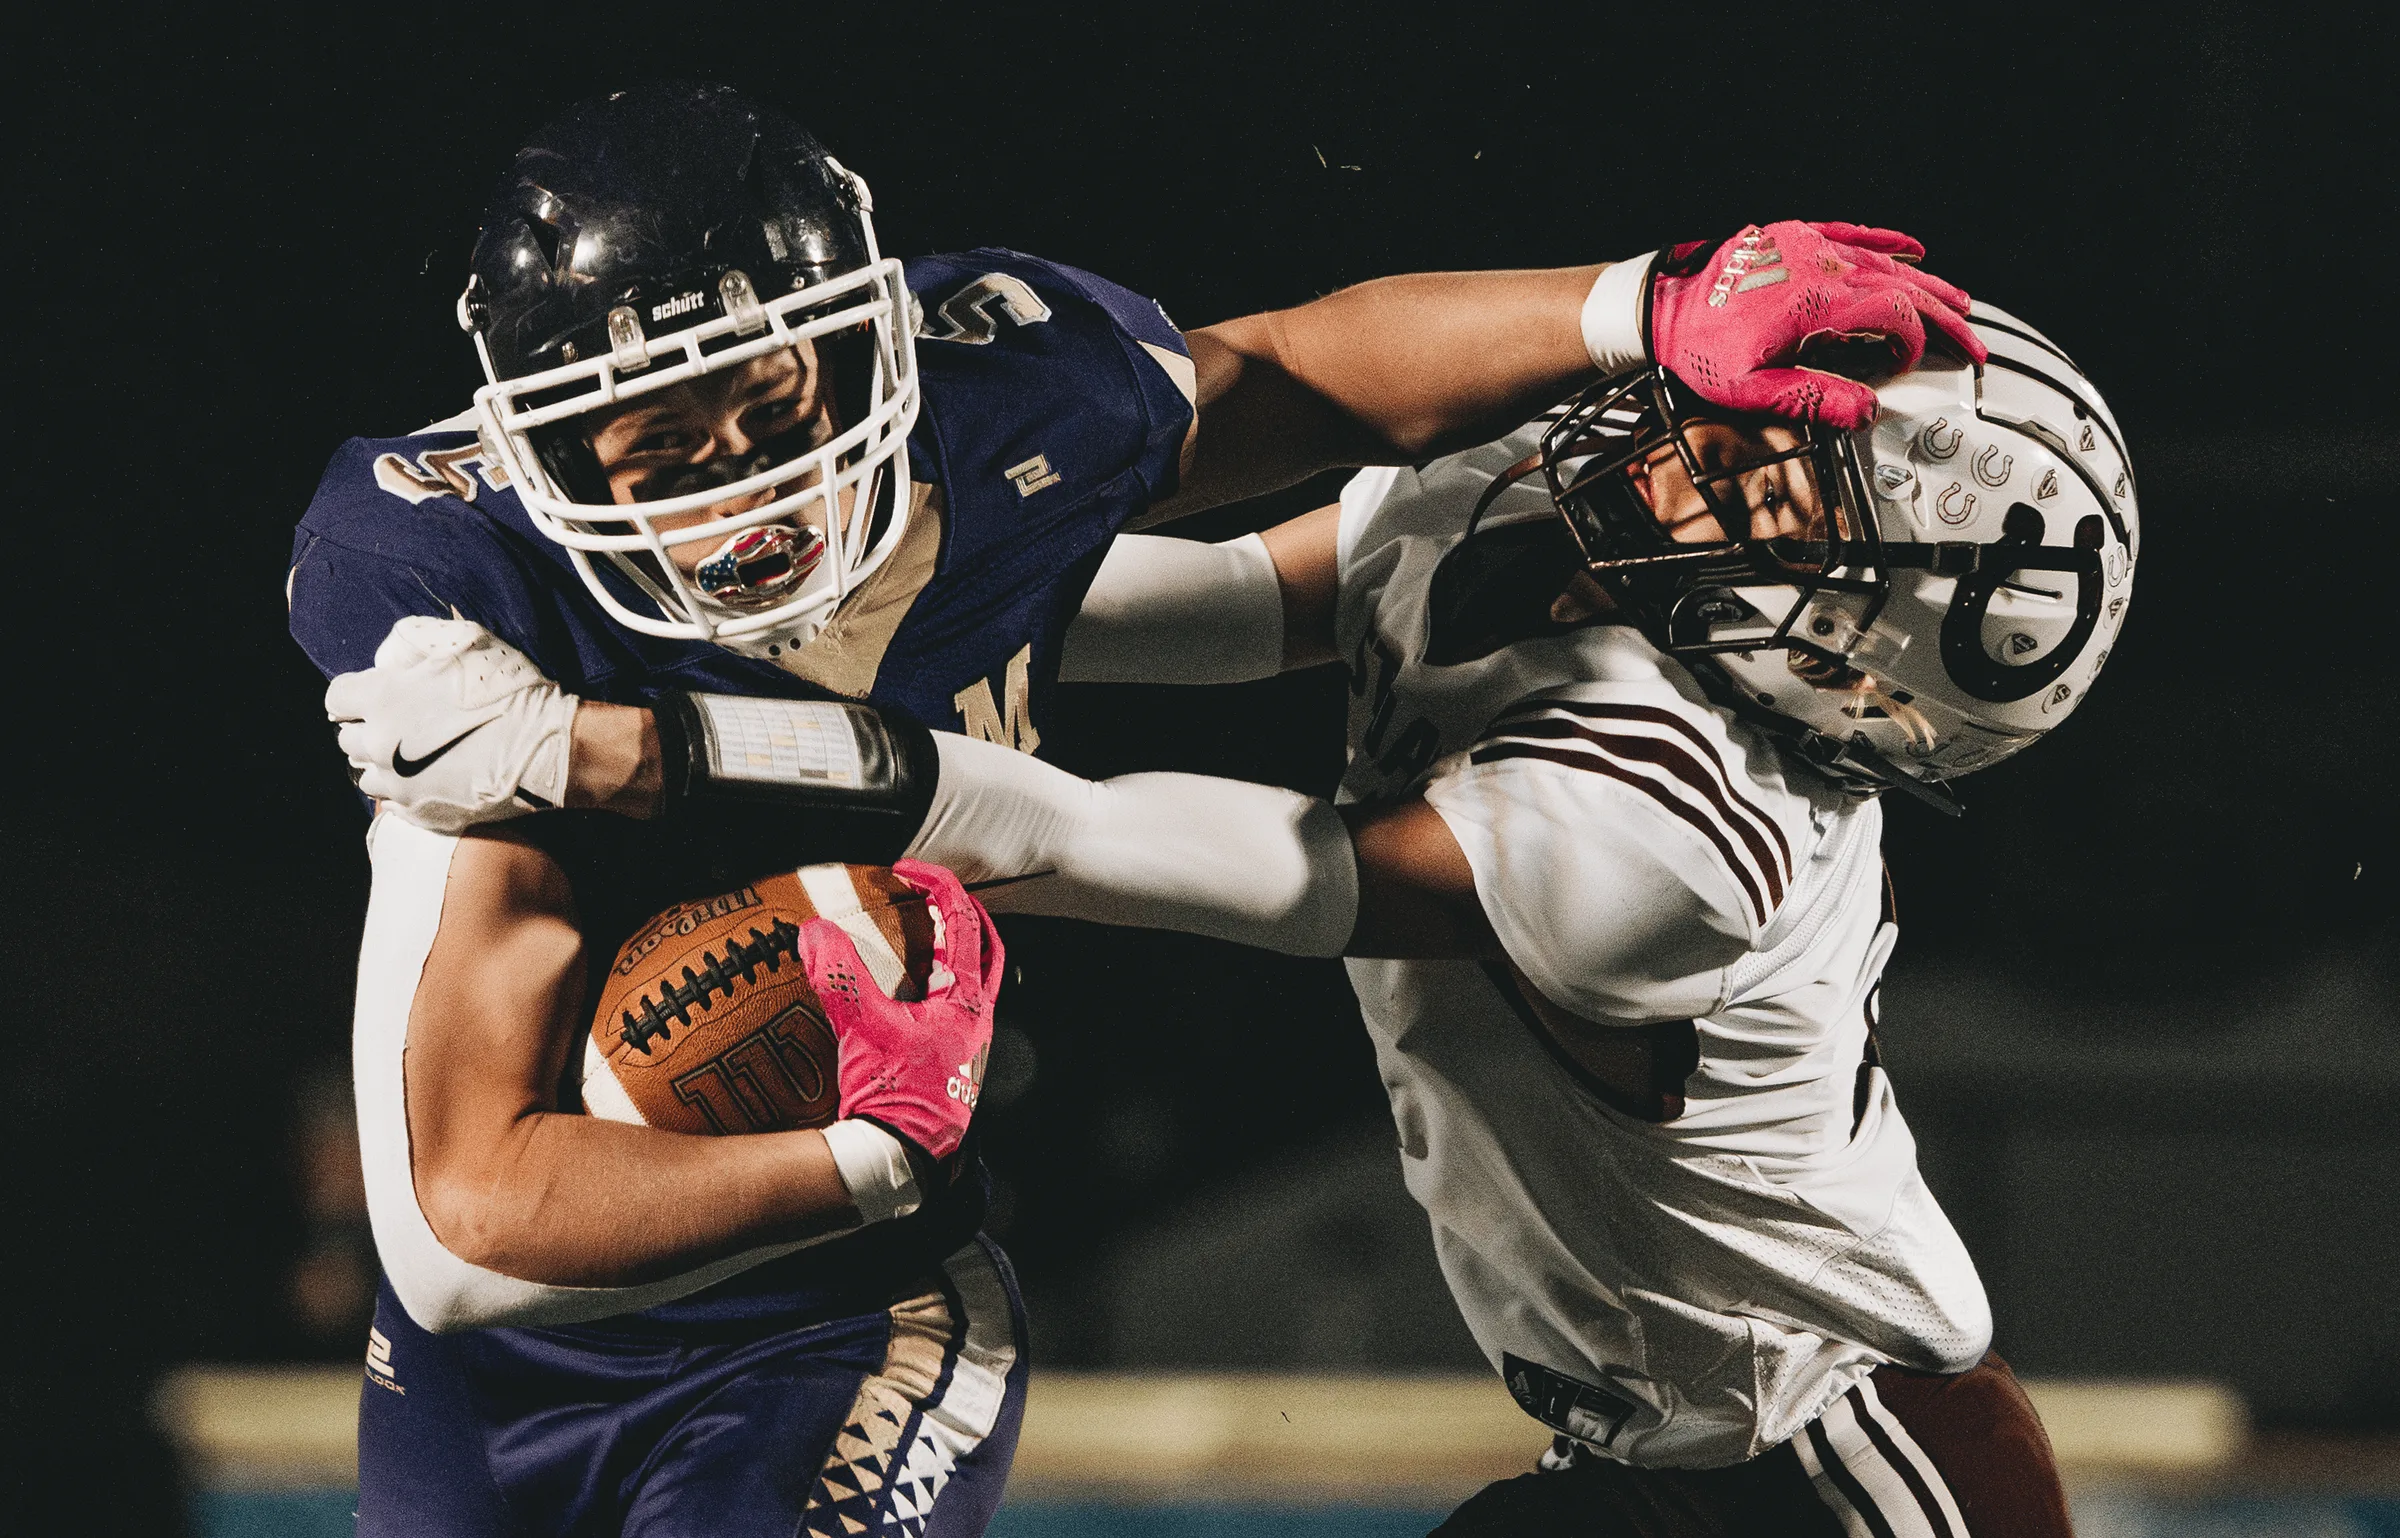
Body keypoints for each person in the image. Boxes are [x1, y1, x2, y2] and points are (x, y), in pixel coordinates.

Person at [298, 79, 1984, 1537]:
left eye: (776, 407)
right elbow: (458, 1246)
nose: (748, 485)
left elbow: (1164, 740)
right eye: (663, 442)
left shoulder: (1677, 830)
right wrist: (1629, 311)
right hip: (560, 1305)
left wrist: (1641, 315)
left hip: (842, 1317)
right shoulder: (482, 609)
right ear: (543, 455)